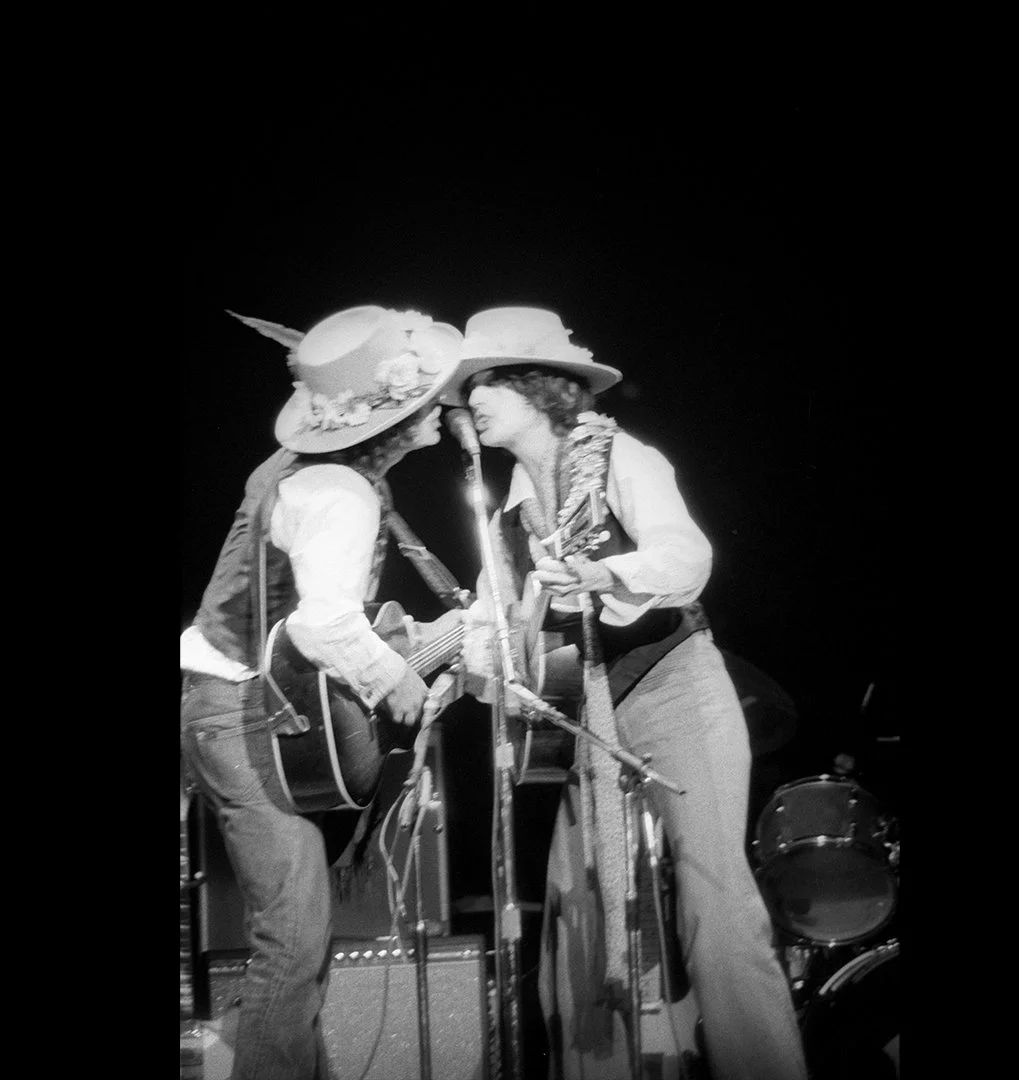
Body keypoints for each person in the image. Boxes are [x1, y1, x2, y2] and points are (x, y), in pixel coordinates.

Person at [447, 307, 807, 1080]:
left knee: (717, 907)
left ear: (538, 387)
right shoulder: (506, 509)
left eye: (486, 382)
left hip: (675, 689)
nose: (470, 399)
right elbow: (493, 633)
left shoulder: (618, 458)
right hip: (587, 722)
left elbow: (686, 555)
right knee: (578, 915)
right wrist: (446, 656)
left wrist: (609, 574)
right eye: (469, 385)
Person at [179, 304, 464, 1080]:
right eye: (427, 394)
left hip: (230, 711)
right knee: (292, 943)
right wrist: (395, 676)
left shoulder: (306, 476)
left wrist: (423, 642)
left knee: (298, 942)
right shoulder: (340, 491)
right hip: (241, 718)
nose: (444, 402)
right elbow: (323, 626)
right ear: (395, 415)